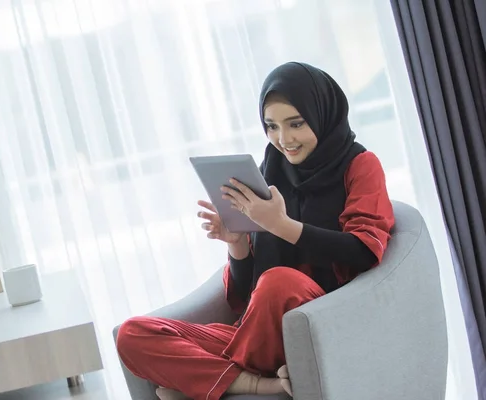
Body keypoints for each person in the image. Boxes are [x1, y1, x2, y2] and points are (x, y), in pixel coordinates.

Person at [116, 62, 395, 400]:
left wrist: (282, 226)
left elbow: (364, 251)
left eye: (296, 124)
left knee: (279, 283)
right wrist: (237, 244)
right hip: (256, 331)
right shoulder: (271, 168)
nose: (283, 139)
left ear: (323, 114)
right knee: (132, 334)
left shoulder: (361, 165)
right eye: (272, 126)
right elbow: (244, 297)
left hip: (319, 321)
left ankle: (201, 383)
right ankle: (255, 383)